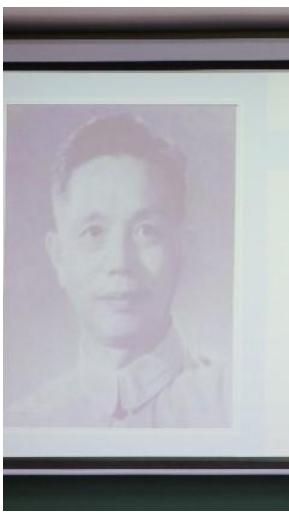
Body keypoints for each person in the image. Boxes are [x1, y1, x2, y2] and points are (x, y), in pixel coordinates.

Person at [6, 113, 229, 428]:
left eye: (146, 230)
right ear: (59, 257)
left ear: (182, 248)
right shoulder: (22, 427)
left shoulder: (231, 405)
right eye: (93, 232)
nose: (120, 263)